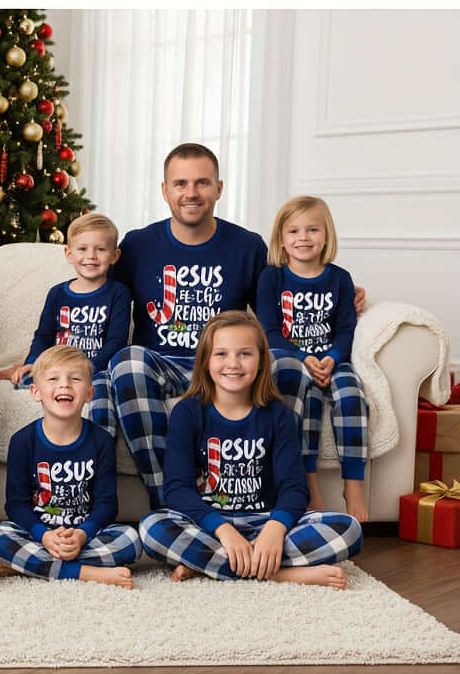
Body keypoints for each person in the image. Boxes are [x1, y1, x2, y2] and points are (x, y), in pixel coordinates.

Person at [108, 142, 364, 510]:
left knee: (288, 363)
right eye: (180, 183)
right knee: (127, 362)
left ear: (219, 188)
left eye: (201, 182)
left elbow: (283, 292)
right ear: (164, 190)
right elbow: (100, 290)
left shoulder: (247, 246)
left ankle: (278, 502)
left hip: (226, 365)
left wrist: (341, 292)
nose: (191, 193)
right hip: (164, 364)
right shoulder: (136, 245)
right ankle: (171, 503)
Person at [138, 311, 362, 587]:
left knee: (348, 529)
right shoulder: (188, 411)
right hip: (211, 525)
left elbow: (294, 487)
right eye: (221, 354)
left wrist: (276, 528)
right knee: (152, 528)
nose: (233, 363)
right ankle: (280, 573)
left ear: (261, 361)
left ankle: (211, 564)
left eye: (245, 354)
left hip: (264, 520)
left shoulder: (277, 415)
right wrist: (223, 530)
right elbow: (177, 488)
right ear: (206, 361)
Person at [0, 345, 141, 587]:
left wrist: (81, 535)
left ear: (90, 393)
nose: (65, 385)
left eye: (75, 378)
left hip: (83, 536)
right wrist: (44, 536)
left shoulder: (100, 441)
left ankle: (30, 565)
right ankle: (87, 572)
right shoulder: (22, 441)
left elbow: (107, 505)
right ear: (36, 392)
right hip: (39, 535)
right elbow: (16, 505)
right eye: (54, 378)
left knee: (131, 540)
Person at [256, 196, 369, 522]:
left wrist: (333, 357)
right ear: (281, 239)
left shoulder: (339, 279)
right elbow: (269, 331)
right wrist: (304, 357)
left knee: (352, 396)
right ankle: (308, 483)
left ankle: (354, 484)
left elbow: (346, 327)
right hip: (293, 362)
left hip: (334, 361)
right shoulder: (272, 278)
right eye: (293, 231)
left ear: (326, 235)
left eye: (312, 229)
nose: (303, 237)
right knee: (306, 405)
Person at [0, 212, 130, 437]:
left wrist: (88, 369)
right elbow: (44, 336)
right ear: (68, 253)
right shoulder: (58, 293)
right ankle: (12, 369)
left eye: (100, 249)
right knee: (25, 379)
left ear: (114, 255)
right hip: (56, 366)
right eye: (82, 249)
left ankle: (98, 446)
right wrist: (33, 362)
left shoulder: (118, 293)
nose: (91, 256)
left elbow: (116, 343)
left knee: (102, 391)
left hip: (94, 369)